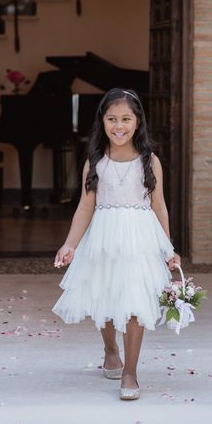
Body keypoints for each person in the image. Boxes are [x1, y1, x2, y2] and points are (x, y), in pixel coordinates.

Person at [52, 88, 180, 401]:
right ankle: (111, 350)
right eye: (112, 119)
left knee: (135, 299)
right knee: (106, 295)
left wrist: (168, 248)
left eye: (126, 119)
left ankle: (130, 372)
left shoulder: (150, 161)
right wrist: (70, 244)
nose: (118, 125)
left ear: (138, 123)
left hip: (140, 238)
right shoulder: (95, 161)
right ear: (102, 122)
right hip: (104, 238)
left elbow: (159, 206)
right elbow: (85, 207)